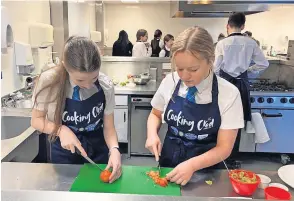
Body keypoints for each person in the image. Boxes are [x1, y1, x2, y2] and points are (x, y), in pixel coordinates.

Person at [145, 26, 244, 186]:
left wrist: (192, 165)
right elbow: (155, 114)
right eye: (179, 68)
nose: (184, 76)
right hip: (169, 162)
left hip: (207, 171)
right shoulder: (170, 81)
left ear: (210, 60)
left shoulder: (229, 94)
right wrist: (151, 134)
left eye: (193, 69)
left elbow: (224, 147)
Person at [31, 36, 122, 183]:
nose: (87, 85)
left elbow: (109, 128)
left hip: (97, 148)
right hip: (64, 152)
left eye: (93, 78)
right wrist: (61, 130)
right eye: (80, 80)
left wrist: (114, 149)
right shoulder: (49, 82)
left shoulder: (105, 86)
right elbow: (36, 120)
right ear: (65, 67)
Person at [214, 13, 269, 154]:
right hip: (242, 85)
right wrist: (247, 72)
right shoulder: (251, 43)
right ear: (243, 26)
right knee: (237, 122)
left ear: (227, 26)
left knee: (221, 119)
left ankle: (219, 154)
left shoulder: (222, 43)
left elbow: (215, 68)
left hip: (224, 85)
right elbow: (263, 64)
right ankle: (232, 156)